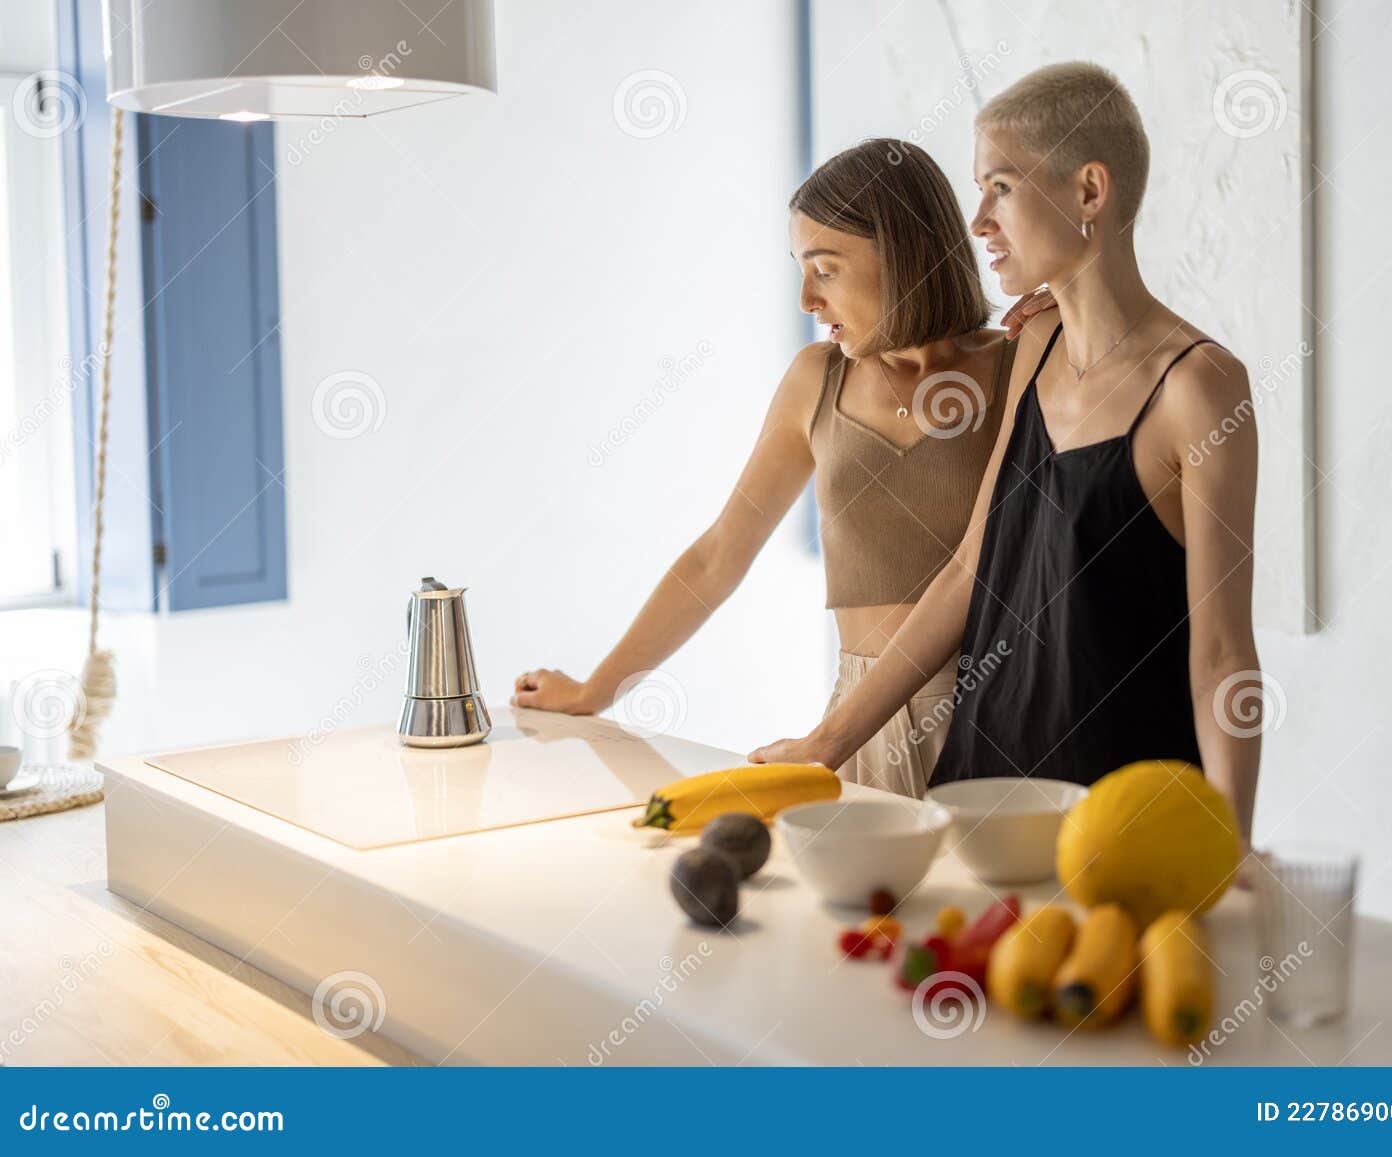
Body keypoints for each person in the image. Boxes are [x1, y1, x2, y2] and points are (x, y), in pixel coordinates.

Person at [751, 63, 1262, 843]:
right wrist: (827, 744)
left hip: (1122, 814)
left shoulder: (1201, 388)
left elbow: (1222, 652)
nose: (978, 220)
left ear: (1090, 192)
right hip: (980, 795)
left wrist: (1230, 847)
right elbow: (968, 569)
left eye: (1002, 188)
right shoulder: (1036, 346)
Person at [514, 140, 1051, 798]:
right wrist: (597, 689)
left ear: (904, 256)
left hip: (1001, 710)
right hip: (859, 719)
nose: (805, 298)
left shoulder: (1022, 362)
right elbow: (718, 557)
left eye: (825, 269)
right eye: (801, 269)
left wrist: (1072, 310)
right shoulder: (816, 381)